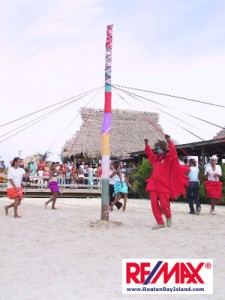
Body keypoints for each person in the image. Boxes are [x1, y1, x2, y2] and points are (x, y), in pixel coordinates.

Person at [144, 135, 188, 230]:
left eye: (158, 148)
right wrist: (147, 145)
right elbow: (150, 154)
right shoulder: (155, 158)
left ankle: (168, 215)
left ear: (163, 149)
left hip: (164, 185)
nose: (157, 150)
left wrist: (169, 142)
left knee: (164, 205)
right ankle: (160, 222)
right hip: (153, 184)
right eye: (156, 149)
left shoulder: (169, 158)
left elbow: (173, 153)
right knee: (154, 204)